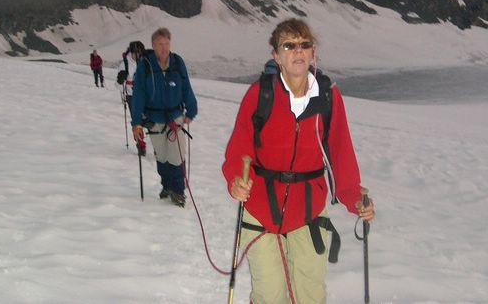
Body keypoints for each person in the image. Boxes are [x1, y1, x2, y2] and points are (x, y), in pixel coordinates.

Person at [222, 18, 374, 304]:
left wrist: (353, 196)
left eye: (305, 45)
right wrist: (235, 180)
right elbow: (239, 147)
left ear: (313, 53)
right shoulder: (261, 93)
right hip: (262, 209)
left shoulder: (328, 96)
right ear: (276, 56)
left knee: (310, 296)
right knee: (270, 295)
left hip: (309, 210)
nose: (298, 51)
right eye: (289, 45)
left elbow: (340, 151)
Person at [131, 27, 198, 207]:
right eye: (160, 44)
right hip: (154, 119)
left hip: (175, 117)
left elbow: (186, 86)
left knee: (176, 156)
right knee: (161, 156)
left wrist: (191, 110)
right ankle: (166, 186)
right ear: (153, 45)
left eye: (167, 43)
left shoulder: (177, 62)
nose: (164, 48)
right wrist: (136, 122)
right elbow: (138, 95)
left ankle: (178, 191)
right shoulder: (145, 65)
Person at [118, 40, 146, 156]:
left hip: (145, 94)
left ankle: (157, 145)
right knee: (137, 121)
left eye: (139, 53)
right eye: (136, 53)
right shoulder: (124, 64)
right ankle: (141, 144)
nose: (138, 56)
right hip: (132, 96)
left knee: (151, 118)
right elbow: (119, 85)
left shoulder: (144, 61)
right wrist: (121, 80)